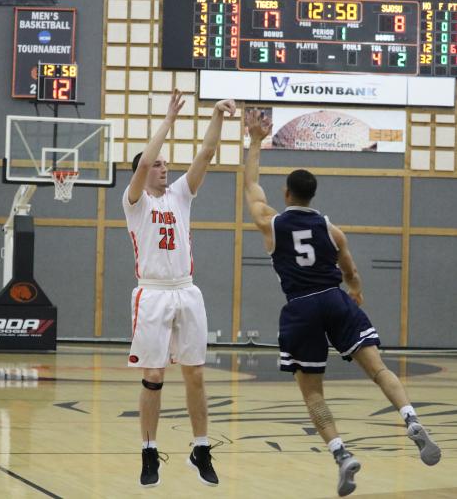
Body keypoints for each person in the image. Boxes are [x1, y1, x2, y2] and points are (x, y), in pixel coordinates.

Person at [243, 109, 441, 497]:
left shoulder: (272, 223)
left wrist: (254, 140)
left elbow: (251, 186)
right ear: (313, 194)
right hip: (335, 301)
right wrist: (355, 291)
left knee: (313, 392)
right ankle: (411, 418)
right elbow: (350, 271)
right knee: (379, 370)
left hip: (300, 308)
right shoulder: (332, 230)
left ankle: (341, 453)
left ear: (287, 194)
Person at [122, 89, 236, 488]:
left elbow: (205, 154)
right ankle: (149, 452)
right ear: (143, 170)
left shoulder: (180, 195)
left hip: (186, 291)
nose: (164, 167)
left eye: (166, 163)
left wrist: (218, 115)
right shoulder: (135, 200)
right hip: (152, 293)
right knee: (154, 374)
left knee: (196, 375)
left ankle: (200, 448)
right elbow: (143, 165)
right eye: (157, 164)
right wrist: (168, 121)